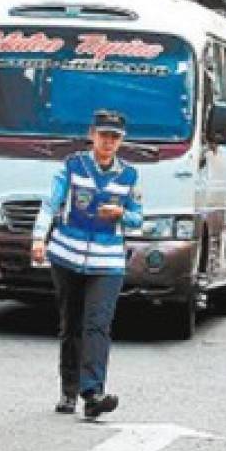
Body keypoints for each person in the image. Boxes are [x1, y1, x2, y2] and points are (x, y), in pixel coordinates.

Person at [31, 110, 144, 419]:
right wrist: (39, 238)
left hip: (107, 262)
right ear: (92, 134)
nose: (108, 142)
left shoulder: (129, 176)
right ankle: (68, 391)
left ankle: (92, 393)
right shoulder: (72, 166)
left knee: (98, 324)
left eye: (115, 137)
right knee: (72, 325)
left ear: (121, 141)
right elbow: (50, 204)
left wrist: (120, 214)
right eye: (104, 135)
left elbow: (138, 218)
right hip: (67, 254)